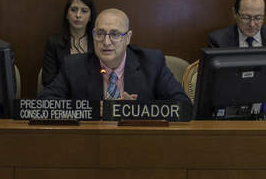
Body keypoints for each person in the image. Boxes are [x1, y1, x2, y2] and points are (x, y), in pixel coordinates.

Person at [40, 8, 187, 106]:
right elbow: (44, 103)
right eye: (100, 34)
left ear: (128, 38)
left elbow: (182, 104)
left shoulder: (151, 62)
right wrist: (92, 109)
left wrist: (135, 110)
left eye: (115, 34)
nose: (106, 42)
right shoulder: (74, 66)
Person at [41, 0, 96, 88]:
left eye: (84, 11)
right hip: (62, 95)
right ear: (66, 14)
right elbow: (48, 81)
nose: (78, 15)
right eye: (73, 10)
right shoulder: (54, 43)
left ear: (90, 17)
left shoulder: (98, 42)